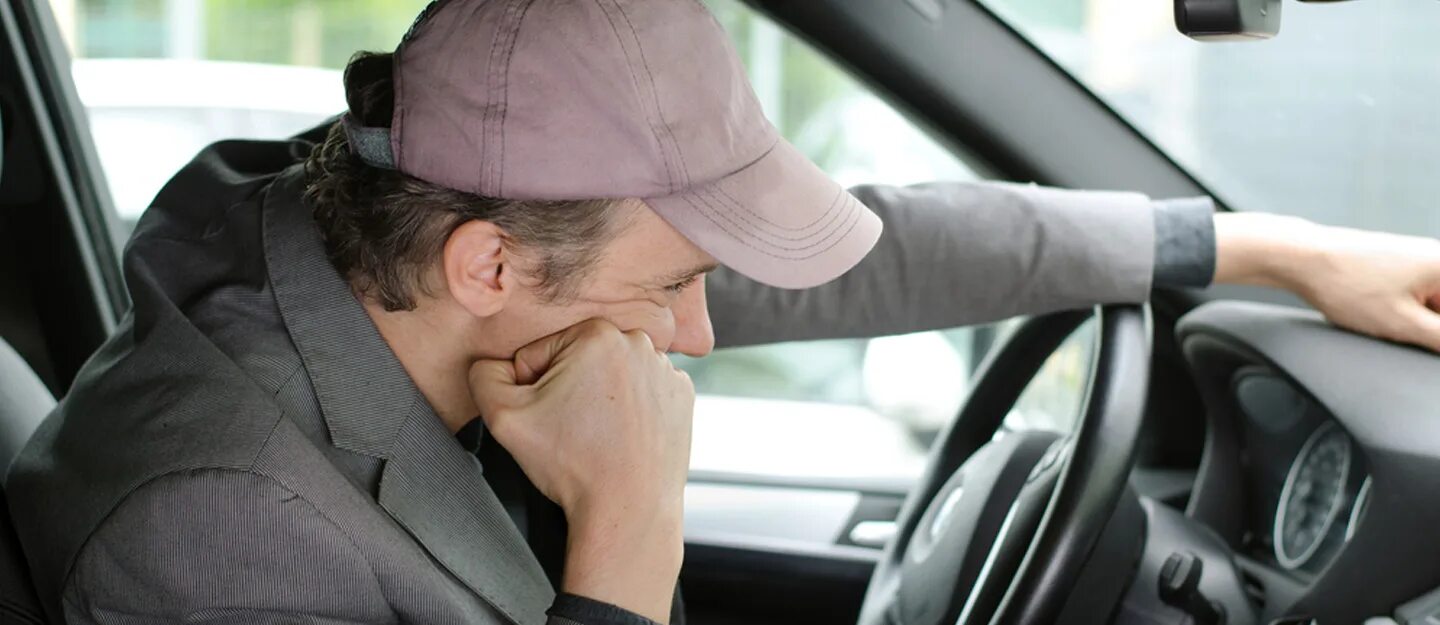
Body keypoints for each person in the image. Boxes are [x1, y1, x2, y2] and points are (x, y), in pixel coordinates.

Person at [7, 0, 1439, 624]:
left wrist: (1263, 246)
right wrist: (631, 530)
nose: (701, 332)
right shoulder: (213, 533)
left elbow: (870, 252)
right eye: (683, 282)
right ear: (490, 269)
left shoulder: (415, 244)